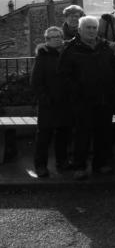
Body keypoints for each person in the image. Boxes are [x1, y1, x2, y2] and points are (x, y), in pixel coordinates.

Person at [58, 16, 115, 180]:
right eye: (88, 28)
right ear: (79, 30)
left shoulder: (105, 47)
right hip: (81, 101)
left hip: (104, 99)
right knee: (82, 135)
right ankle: (80, 166)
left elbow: (113, 72)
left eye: (94, 27)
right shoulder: (71, 49)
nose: (92, 31)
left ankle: (100, 165)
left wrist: (112, 92)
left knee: (103, 133)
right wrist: (77, 92)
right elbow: (64, 76)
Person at [31, 27, 73, 177]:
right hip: (48, 104)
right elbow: (36, 82)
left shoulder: (67, 54)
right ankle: (40, 166)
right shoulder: (42, 56)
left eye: (58, 36)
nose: (56, 39)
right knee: (44, 136)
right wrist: (45, 99)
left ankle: (62, 162)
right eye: (52, 37)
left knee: (63, 135)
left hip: (65, 102)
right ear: (46, 40)